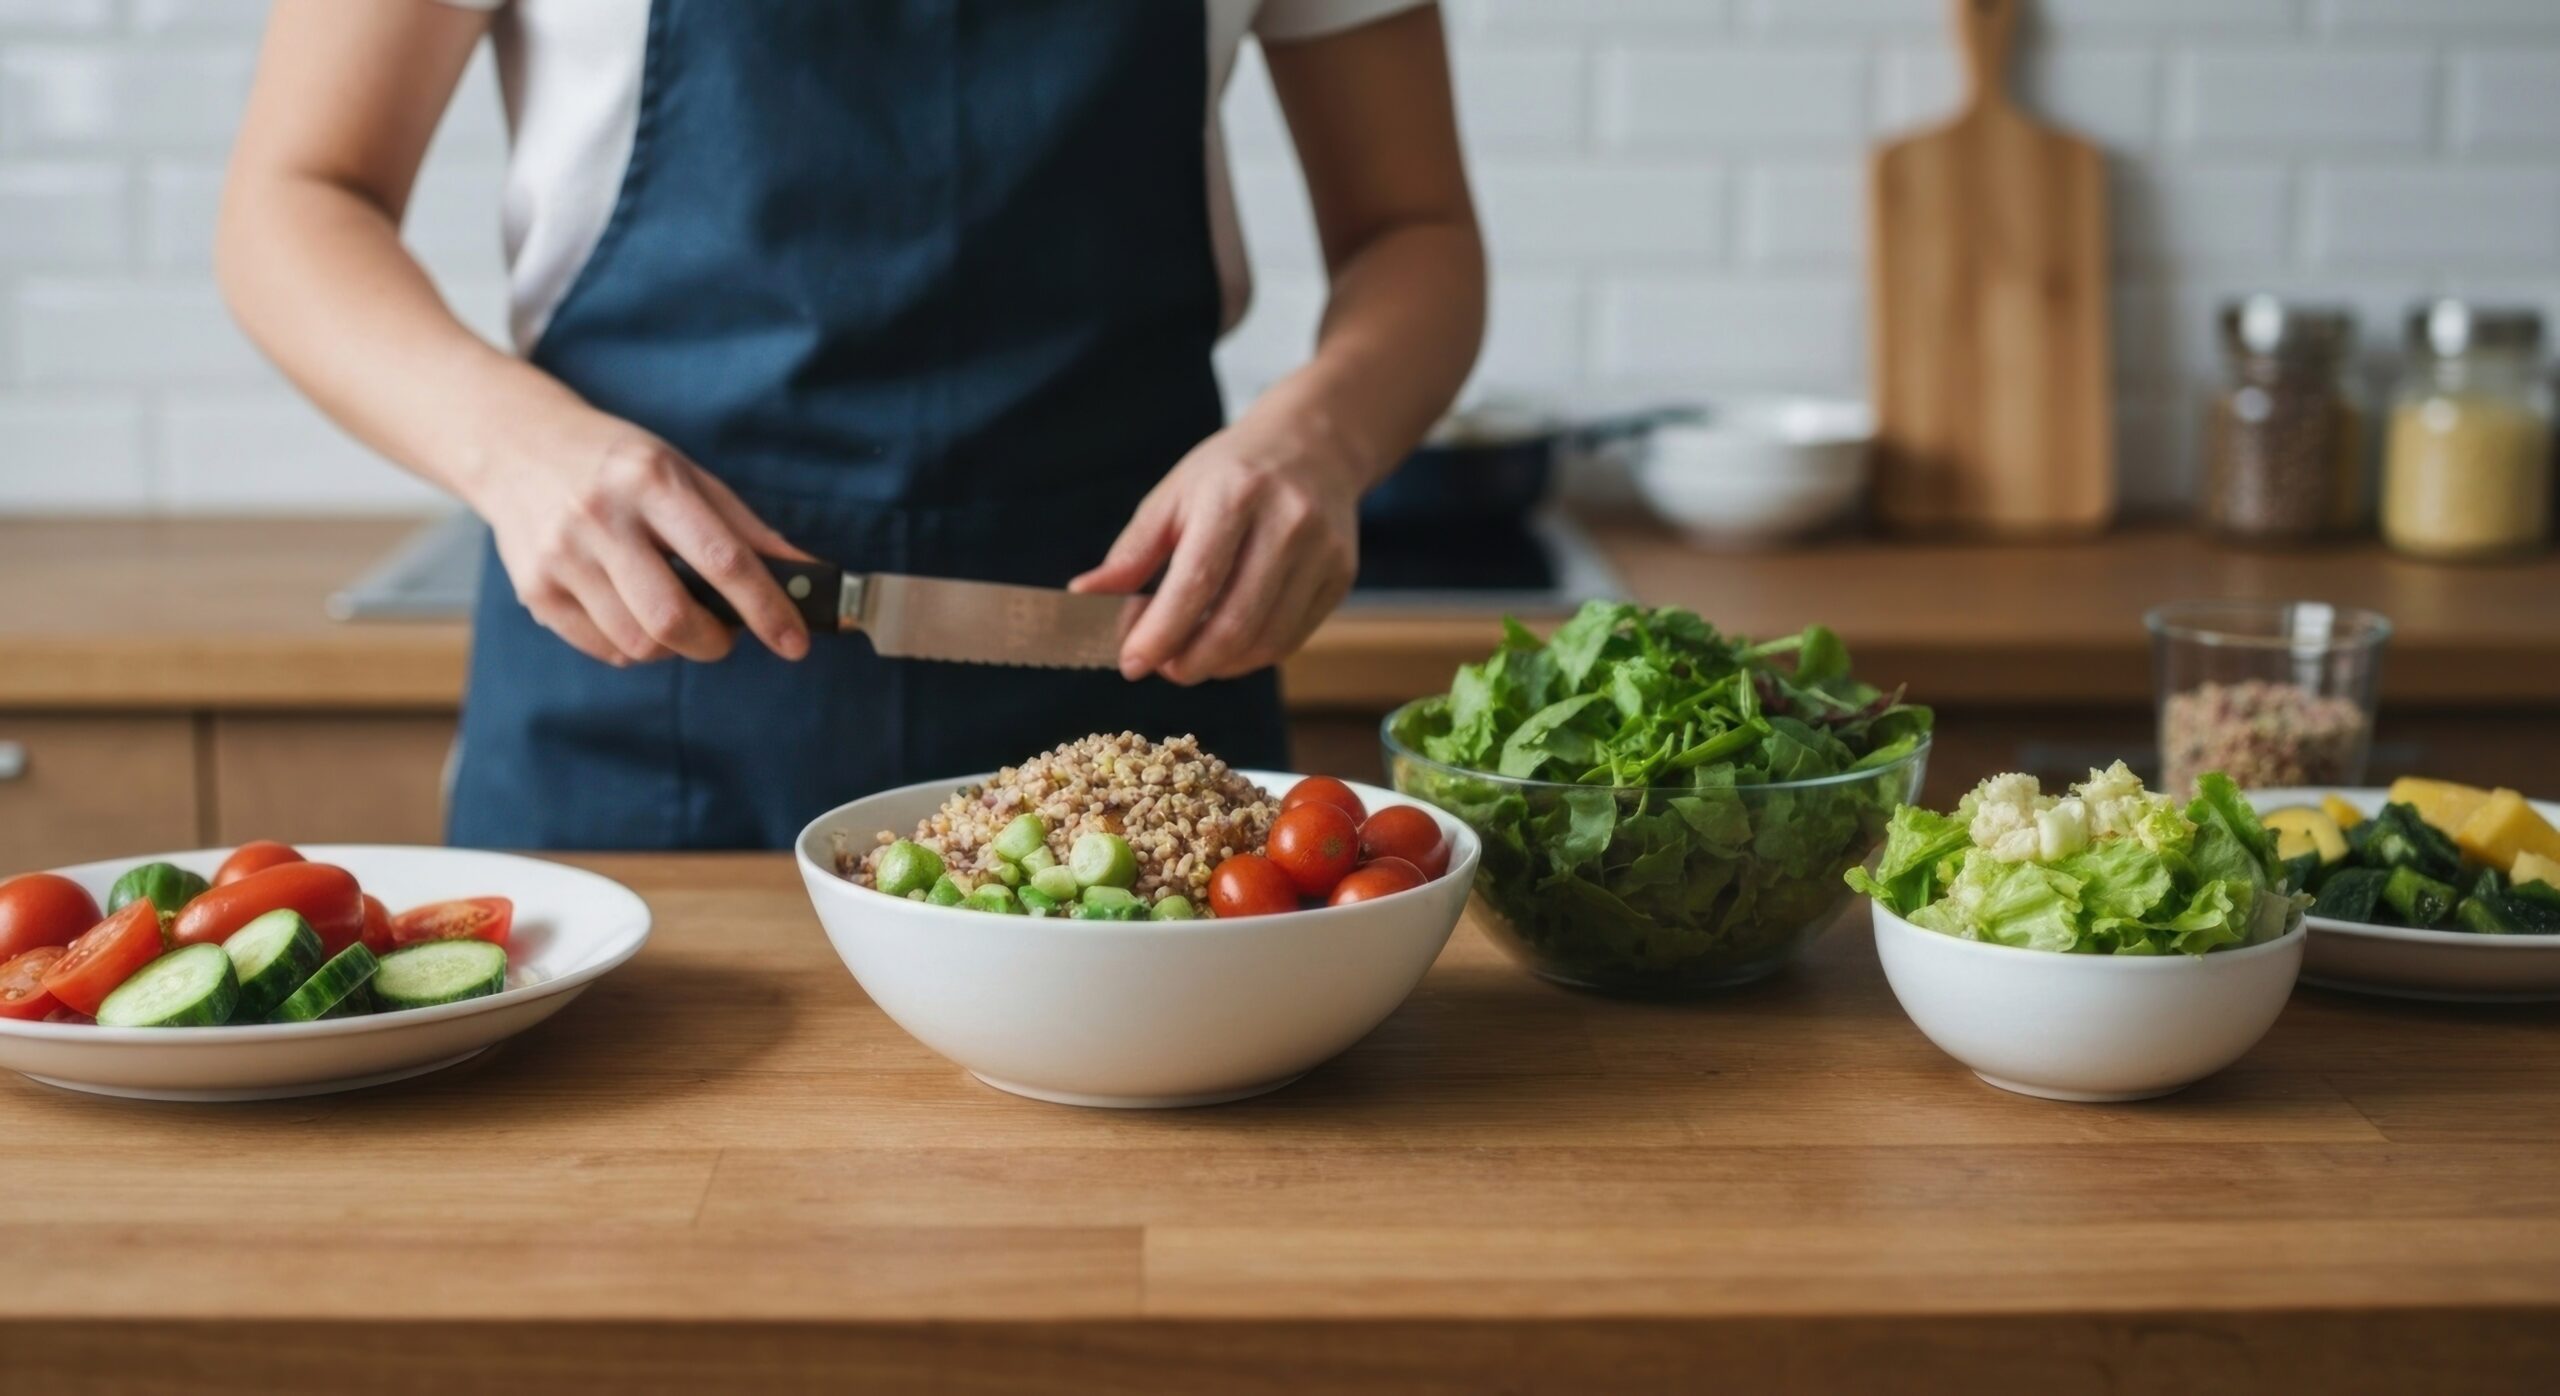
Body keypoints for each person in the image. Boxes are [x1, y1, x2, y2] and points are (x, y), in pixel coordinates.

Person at [218, 0, 1485, 849]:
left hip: (1134, 685)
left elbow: (1411, 229)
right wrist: (510, 444)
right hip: (642, 677)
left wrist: (1318, 439)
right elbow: (295, 198)